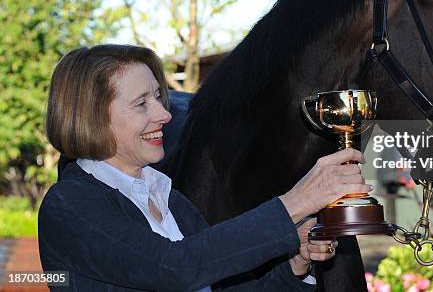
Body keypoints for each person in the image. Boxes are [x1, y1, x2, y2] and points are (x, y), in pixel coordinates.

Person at [38, 44, 371, 291]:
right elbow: (175, 267)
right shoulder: (71, 205)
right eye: (142, 103)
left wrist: (294, 263)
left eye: (158, 96)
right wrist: (296, 202)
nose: (165, 115)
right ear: (93, 117)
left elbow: (219, 284)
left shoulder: (169, 198)